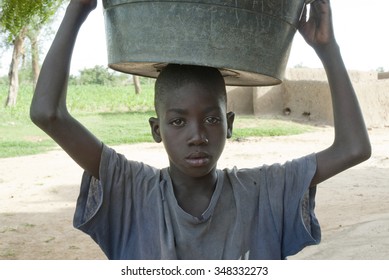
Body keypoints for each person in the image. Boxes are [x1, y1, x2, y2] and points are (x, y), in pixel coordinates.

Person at [30, 0, 371, 260]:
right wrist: (78, 9)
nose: (197, 135)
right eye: (178, 121)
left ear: (230, 124)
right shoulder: (130, 190)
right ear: (156, 129)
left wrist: (328, 49)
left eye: (211, 119)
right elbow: (48, 113)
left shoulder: (264, 191)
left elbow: (354, 148)